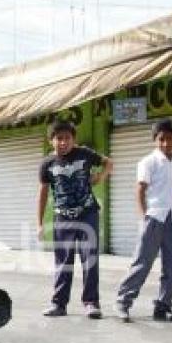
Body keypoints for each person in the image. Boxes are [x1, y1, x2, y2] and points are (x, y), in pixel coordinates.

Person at [114, 119, 172, 322]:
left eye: (170, 139)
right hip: (154, 217)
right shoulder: (148, 162)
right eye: (161, 139)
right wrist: (143, 216)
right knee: (142, 263)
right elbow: (140, 189)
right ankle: (123, 303)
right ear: (155, 140)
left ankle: (163, 305)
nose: (166, 143)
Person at [38, 120, 113, 318]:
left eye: (67, 138)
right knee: (63, 261)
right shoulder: (47, 163)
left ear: (74, 139)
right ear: (51, 141)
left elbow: (108, 162)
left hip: (88, 214)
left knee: (89, 259)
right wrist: (39, 223)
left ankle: (91, 303)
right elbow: (43, 193)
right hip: (62, 217)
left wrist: (100, 177)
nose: (63, 142)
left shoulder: (85, 154)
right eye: (59, 138)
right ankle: (59, 304)